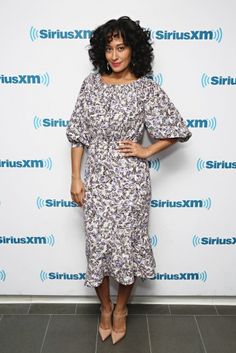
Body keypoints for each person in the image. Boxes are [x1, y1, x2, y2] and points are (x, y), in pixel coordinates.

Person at [66, 16, 192, 344]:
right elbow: (78, 135)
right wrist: (75, 179)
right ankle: (104, 307)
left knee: (128, 248)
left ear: (133, 49)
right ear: (101, 53)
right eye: (108, 49)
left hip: (132, 184)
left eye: (121, 47)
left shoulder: (146, 89)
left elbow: (177, 129)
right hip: (98, 181)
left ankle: (121, 309)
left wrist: (147, 150)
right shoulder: (91, 85)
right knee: (98, 247)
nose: (115, 55)